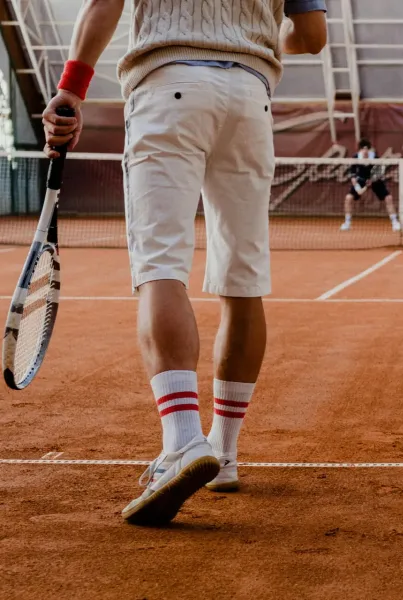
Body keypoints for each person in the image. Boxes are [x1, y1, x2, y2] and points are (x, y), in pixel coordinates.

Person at [41, 0, 327, 525]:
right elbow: (311, 35)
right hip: (250, 99)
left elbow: (106, 2)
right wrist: (257, 35)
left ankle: (182, 442)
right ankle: (224, 452)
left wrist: (71, 89)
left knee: (160, 268)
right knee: (243, 282)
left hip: (167, 87)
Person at [340, 139, 401, 232]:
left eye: (367, 149)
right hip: (360, 180)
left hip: (375, 180)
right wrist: (357, 187)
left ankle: (395, 222)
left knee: (389, 198)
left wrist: (373, 180)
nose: (365, 151)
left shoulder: (375, 158)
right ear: (360, 150)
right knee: (348, 198)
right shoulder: (355, 158)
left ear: (369, 149)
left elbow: (379, 172)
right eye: (363, 149)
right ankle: (347, 223)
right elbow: (353, 176)